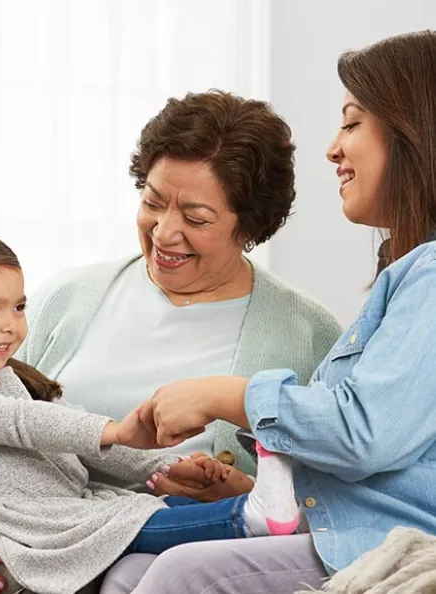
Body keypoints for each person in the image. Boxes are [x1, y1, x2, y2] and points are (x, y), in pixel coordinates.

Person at [0, 91, 342, 594]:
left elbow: (330, 500)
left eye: (196, 218)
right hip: (35, 536)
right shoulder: (65, 299)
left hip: (172, 552)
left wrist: (239, 488)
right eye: (153, 202)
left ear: (248, 225)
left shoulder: (305, 334)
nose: (164, 232)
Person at [100, 30, 436, 594]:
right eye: (153, 202)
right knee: (132, 571)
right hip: (331, 524)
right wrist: (247, 492)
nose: (333, 148)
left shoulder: (412, 282)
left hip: (376, 539)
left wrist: (225, 395)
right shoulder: (403, 274)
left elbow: (366, 435)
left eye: (352, 123)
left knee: (177, 573)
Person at [0, 226, 306, 594]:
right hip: (30, 532)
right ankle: (248, 519)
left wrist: (160, 467)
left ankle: (267, 511)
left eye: (19, 307)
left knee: (152, 511)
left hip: (68, 512)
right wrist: (115, 430)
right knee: (136, 526)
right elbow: (24, 424)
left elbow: (69, 438)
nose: (11, 324)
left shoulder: (5, 371)